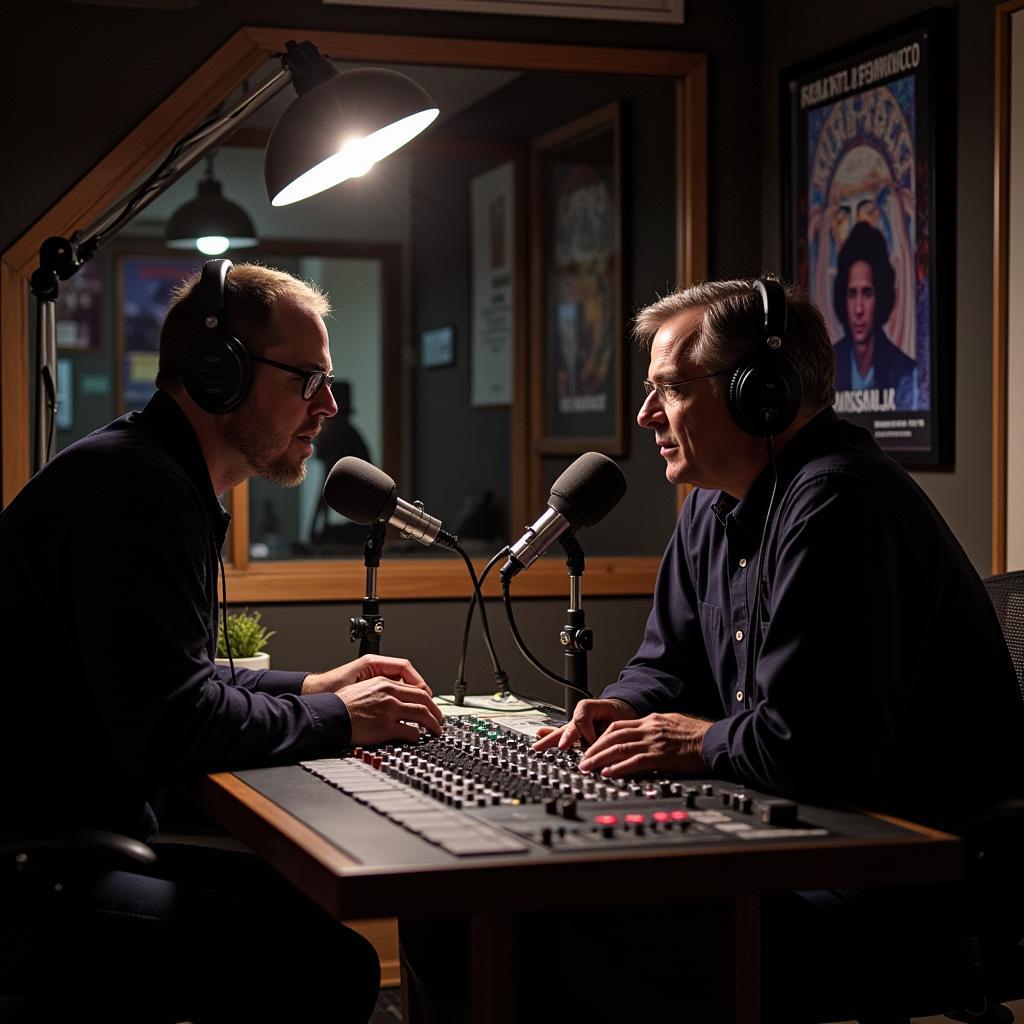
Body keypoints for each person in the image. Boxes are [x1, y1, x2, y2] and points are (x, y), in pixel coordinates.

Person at [530, 277, 1024, 1020]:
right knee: (541, 913)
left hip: (904, 880)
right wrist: (626, 707)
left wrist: (689, 740)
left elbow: (816, 751)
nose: (645, 414)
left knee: (590, 934)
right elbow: (668, 664)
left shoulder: (838, 502)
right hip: (804, 839)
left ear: (761, 392)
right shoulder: (708, 508)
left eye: (669, 388)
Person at [0, 260, 443, 1023]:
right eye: (308, 379)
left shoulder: (147, 472)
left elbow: (175, 678)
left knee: (311, 912)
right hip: (28, 881)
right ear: (219, 373)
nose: (328, 407)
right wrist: (345, 718)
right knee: (335, 964)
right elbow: (172, 729)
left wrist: (313, 688)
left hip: (59, 851)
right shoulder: (137, 493)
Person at [831, 220, 917, 406]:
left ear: (881, 296)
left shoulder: (904, 372)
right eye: (852, 294)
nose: (859, 309)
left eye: (867, 293)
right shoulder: (827, 368)